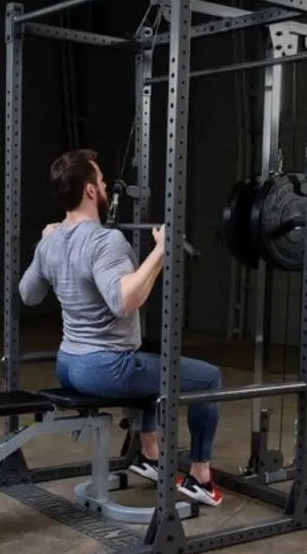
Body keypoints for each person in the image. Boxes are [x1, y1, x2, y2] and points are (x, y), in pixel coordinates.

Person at [18, 148, 223, 506]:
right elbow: (124, 300)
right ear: (90, 192)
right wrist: (162, 252)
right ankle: (201, 477)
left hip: (69, 364)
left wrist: (43, 244)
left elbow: (28, 294)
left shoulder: (51, 240)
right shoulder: (105, 241)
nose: (106, 185)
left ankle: (149, 455)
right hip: (106, 368)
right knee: (208, 378)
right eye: (101, 179)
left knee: (150, 358)